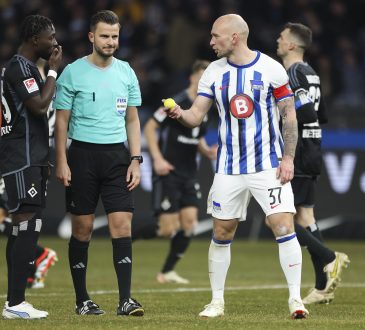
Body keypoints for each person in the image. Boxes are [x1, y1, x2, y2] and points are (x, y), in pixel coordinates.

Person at [165, 14, 308, 319]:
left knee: (283, 225)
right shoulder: (213, 73)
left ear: (234, 38)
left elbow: (289, 116)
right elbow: (196, 116)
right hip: (228, 167)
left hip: (267, 165)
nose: (211, 41)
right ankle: (216, 302)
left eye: (216, 36)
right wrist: (179, 113)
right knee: (222, 231)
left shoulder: (271, 69)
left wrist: (288, 158)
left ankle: (296, 299)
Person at [54, 10, 144, 317]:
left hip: (117, 158)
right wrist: (62, 161)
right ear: (91, 37)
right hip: (82, 156)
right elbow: (61, 123)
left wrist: (135, 158)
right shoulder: (72, 73)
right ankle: (82, 300)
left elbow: (133, 120)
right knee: (83, 228)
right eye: (104, 36)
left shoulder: (127, 72)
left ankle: (126, 300)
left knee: (122, 225)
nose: (110, 42)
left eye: (115, 36)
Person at [276, 22, 350, 304]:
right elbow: (323, 115)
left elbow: (305, 112)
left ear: (292, 45)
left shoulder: (293, 73)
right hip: (314, 144)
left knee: (280, 215)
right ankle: (322, 287)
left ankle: (330, 258)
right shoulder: (311, 72)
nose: (278, 40)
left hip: (301, 147)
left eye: (282, 38)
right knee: (305, 217)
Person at [132, 60, 217, 284]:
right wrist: (157, 159)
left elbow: (194, 134)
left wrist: (206, 151)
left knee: (189, 224)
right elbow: (150, 127)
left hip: (189, 173)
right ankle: (125, 236)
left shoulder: (205, 105)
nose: (204, 81)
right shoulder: (177, 101)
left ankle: (167, 271)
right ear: (192, 77)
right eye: (201, 76)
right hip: (168, 169)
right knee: (166, 228)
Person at [0, 14, 62, 319]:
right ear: (34, 38)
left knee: (24, 226)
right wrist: (52, 72)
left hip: (30, 157)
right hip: (21, 157)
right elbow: (38, 107)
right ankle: (15, 303)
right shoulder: (20, 68)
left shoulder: (23, 68)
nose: (54, 43)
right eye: (50, 37)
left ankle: (15, 301)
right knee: (27, 225)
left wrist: (44, 158)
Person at [0, 177, 58, 290]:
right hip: (9, 168)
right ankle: (34, 263)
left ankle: (39, 255)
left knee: (22, 217)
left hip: (18, 170)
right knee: (13, 220)